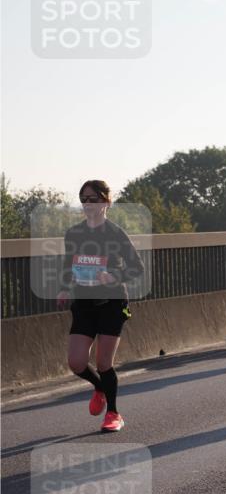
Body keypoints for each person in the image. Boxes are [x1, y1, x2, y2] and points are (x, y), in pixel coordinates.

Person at [57, 179, 144, 433]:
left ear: (106, 202)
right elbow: (67, 264)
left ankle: (114, 413)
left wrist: (114, 277)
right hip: (84, 303)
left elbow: (136, 267)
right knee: (76, 362)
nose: (87, 204)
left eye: (93, 199)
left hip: (112, 304)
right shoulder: (74, 233)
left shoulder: (115, 233)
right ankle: (99, 387)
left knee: (104, 363)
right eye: (83, 199)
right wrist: (64, 286)